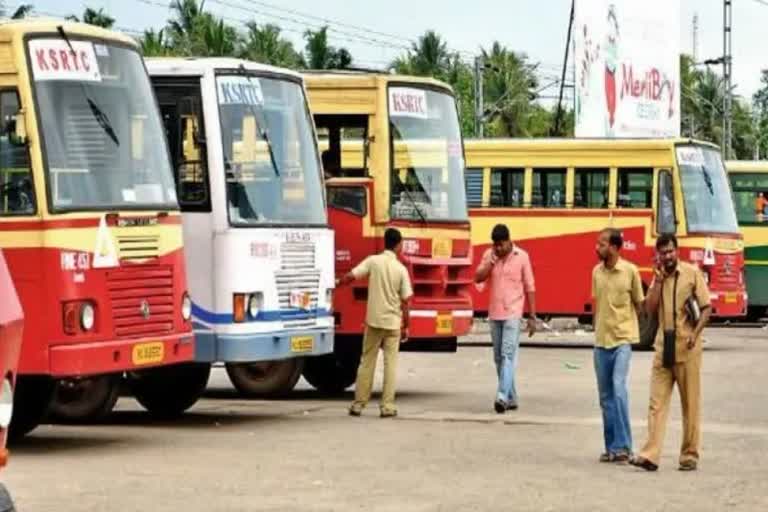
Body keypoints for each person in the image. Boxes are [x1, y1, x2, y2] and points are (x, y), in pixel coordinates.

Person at [631, 234, 711, 472]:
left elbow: (706, 308)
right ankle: (650, 455)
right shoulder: (659, 277)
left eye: (670, 251)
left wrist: (695, 335)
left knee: (690, 404)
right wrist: (656, 282)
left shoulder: (691, 274)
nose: (667, 256)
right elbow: (649, 310)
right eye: (663, 253)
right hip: (662, 347)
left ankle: (689, 454)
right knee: (656, 403)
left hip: (687, 348)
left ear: (677, 251)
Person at [336, 228, 413, 418]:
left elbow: (351, 276)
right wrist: (407, 325)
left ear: (384, 243)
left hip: (374, 322)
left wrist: (336, 282)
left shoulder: (373, 262)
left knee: (367, 362)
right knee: (390, 365)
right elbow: (406, 301)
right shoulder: (400, 269)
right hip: (393, 324)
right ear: (398, 245)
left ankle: (358, 404)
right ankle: (387, 406)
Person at [592, 228, 644, 464]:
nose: (597, 248)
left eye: (601, 244)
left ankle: (624, 446)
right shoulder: (596, 273)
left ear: (614, 247)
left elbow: (640, 306)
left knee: (619, 389)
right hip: (601, 342)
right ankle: (611, 447)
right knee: (605, 397)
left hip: (623, 340)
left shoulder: (630, 271)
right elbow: (597, 306)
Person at [475, 224, 537, 413]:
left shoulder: (522, 257)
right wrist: (490, 262)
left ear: (509, 241)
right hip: (495, 314)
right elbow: (478, 278)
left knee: (507, 354)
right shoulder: (489, 255)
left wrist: (532, 316)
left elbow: (530, 286)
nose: (498, 249)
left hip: (513, 313)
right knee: (498, 359)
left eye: (501, 245)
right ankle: (511, 397)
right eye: (496, 245)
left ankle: (502, 396)